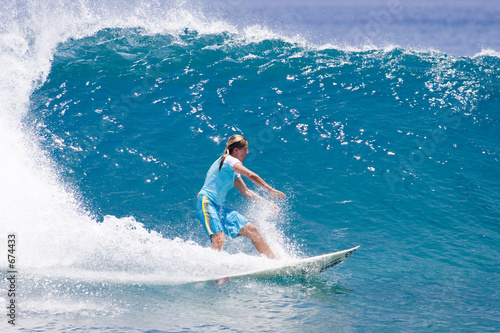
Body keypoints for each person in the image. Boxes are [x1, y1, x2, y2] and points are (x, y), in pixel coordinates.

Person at [196, 134, 286, 259]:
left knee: (253, 231)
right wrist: (269, 190)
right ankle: (209, 270)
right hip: (206, 203)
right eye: (245, 149)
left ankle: (275, 263)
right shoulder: (229, 160)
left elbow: (246, 192)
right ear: (236, 150)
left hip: (219, 208)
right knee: (219, 239)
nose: (247, 152)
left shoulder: (231, 169)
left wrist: (268, 203)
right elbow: (250, 174)